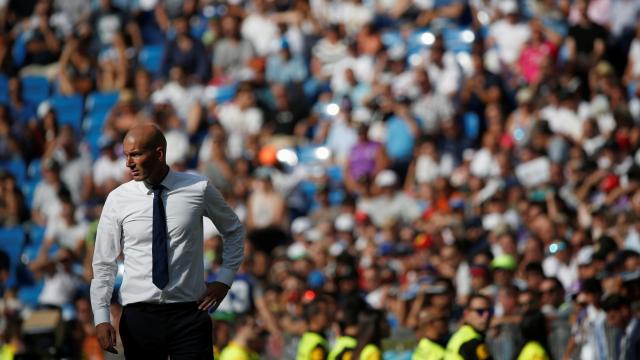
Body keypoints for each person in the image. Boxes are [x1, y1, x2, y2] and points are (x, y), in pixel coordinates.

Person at [90, 123, 245, 359]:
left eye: (136, 154)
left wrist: (224, 280)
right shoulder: (117, 199)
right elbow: (103, 262)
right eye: (126, 155)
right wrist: (101, 316)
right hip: (139, 318)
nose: (128, 163)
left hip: (189, 315)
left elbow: (233, 230)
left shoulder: (198, 188)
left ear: (159, 153)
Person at [446, 293, 493, 360]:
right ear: (466, 314)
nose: (486, 316)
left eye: (490, 311)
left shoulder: (463, 334)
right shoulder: (470, 341)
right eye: (480, 311)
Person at [602, 294, 640, 360]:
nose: (610, 324)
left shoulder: (637, 333)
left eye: (612, 317)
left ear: (624, 311)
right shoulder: (619, 335)